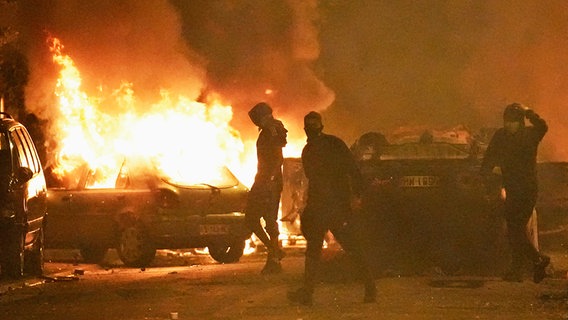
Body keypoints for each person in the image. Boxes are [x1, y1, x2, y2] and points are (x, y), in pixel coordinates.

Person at [287, 111, 376, 306]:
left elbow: (314, 177)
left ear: (306, 130)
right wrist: (358, 195)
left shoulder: (309, 150)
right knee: (351, 247)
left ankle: (308, 293)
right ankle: (370, 288)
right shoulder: (335, 144)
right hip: (337, 206)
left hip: (323, 207)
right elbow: (353, 170)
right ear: (322, 127)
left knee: (314, 251)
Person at [480, 103, 550, 283]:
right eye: (507, 121)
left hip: (527, 189)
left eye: (513, 121)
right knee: (513, 230)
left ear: (520, 122)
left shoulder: (529, 135)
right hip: (511, 188)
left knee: (516, 228)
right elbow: (489, 158)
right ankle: (521, 269)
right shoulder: (501, 136)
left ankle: (537, 260)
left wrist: (529, 112)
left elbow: (543, 126)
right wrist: (488, 172)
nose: (509, 125)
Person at [246, 102, 287, 274]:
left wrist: (269, 179)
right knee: (264, 218)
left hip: (267, 181)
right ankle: (274, 253)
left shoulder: (271, 130)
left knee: (255, 218)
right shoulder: (273, 129)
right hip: (267, 180)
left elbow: (278, 158)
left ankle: (274, 256)